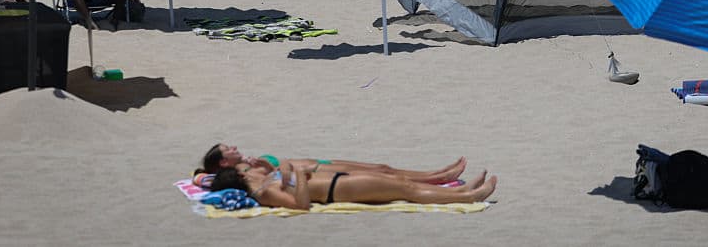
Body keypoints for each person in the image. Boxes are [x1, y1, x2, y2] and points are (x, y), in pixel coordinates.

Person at [210, 163, 496, 209]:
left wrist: (291, 172)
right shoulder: (263, 192)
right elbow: (301, 205)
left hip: (338, 182)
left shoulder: (266, 180)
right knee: (405, 191)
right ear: (240, 177)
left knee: (399, 182)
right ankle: (469, 197)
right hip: (336, 190)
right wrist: (298, 172)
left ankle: (462, 191)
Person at [199, 143, 468, 184]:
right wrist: (265, 166)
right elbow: (276, 178)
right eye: (229, 149)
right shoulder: (241, 171)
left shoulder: (243, 163)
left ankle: (436, 173)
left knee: (381, 167)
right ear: (224, 161)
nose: (234, 147)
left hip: (318, 162)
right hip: (313, 173)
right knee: (382, 174)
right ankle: (437, 178)